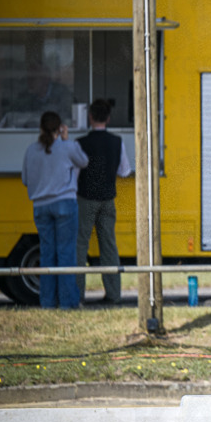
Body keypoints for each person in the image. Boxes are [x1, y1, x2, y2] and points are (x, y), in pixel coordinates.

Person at [21, 111, 89, 309]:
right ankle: (68, 303)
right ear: (60, 128)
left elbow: (25, 180)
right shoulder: (68, 147)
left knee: (47, 253)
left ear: (41, 128)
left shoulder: (31, 151)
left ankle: (48, 302)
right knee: (66, 253)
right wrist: (67, 139)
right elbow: (83, 161)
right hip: (65, 203)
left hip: (40, 206)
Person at [76, 99, 132, 304]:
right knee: (108, 245)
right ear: (108, 118)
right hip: (108, 198)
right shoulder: (117, 142)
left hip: (85, 198)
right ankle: (113, 294)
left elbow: (73, 175)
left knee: (80, 245)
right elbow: (125, 171)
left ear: (90, 117)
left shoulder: (80, 143)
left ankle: (77, 294)